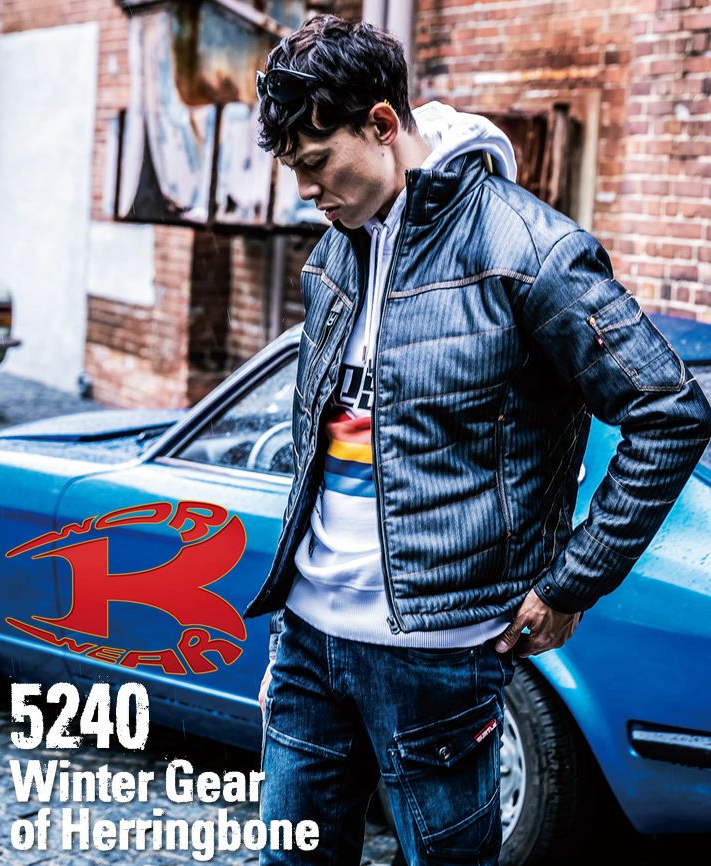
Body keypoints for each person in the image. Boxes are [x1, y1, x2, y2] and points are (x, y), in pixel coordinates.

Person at [244, 13, 711, 866]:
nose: (306, 189)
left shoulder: (529, 249)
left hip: (439, 659)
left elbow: (669, 410)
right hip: (308, 641)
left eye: (315, 163)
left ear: (381, 124)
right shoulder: (337, 249)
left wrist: (573, 581)